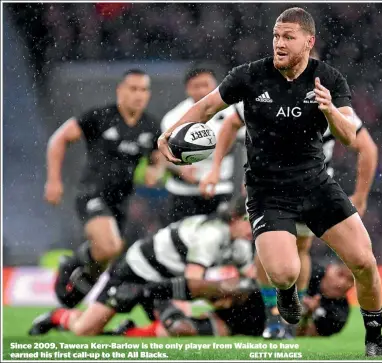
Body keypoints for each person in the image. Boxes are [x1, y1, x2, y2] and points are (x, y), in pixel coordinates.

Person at [157, 7, 382, 357]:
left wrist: (328, 110)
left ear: (308, 42)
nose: (279, 43)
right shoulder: (250, 76)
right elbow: (206, 108)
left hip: (316, 186)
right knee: (283, 272)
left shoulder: (329, 79)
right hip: (267, 192)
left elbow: (350, 140)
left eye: (288, 37)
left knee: (364, 261)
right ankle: (282, 300)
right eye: (276, 36)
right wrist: (169, 134)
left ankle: (375, 337)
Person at [199, 48, 378, 340]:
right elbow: (230, 123)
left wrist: (361, 196)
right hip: (268, 188)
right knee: (266, 252)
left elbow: (366, 147)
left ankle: (289, 320)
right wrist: (215, 168)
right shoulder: (263, 90)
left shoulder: (327, 96)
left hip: (311, 188)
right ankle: (273, 317)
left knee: (302, 250)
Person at [28, 196, 254, 337]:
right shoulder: (212, 234)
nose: (252, 228)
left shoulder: (240, 246)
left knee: (180, 328)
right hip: (132, 274)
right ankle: (58, 317)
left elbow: (250, 281)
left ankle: (127, 332)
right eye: (249, 221)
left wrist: (235, 293)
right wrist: (221, 292)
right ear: (234, 218)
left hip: (162, 285)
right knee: (85, 331)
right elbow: (193, 283)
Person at [45, 69, 162, 309]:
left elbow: (157, 158)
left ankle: (69, 303)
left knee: (104, 259)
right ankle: (71, 265)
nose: (138, 95)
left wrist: (155, 170)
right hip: (92, 193)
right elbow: (59, 139)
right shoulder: (100, 117)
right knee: (111, 247)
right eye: (133, 89)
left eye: (143, 90)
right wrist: (54, 180)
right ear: (120, 90)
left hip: (122, 202)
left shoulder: (151, 126)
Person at [112, 260, 354, 339]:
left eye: (349, 282)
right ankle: (147, 290)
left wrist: (306, 314)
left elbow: (304, 333)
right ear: (331, 267)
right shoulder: (308, 270)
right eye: (341, 274)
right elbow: (270, 268)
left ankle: (127, 332)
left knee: (180, 329)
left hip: (246, 326)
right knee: (226, 287)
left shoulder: (339, 313)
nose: (342, 283)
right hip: (247, 297)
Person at [159, 67, 245, 224]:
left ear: (217, 86)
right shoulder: (173, 118)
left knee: (220, 238)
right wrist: (179, 169)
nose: (201, 90)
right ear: (187, 89)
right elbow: (161, 156)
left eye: (206, 85)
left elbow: (248, 145)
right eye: (196, 86)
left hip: (220, 188)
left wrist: (247, 180)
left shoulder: (233, 113)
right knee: (182, 242)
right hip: (183, 191)